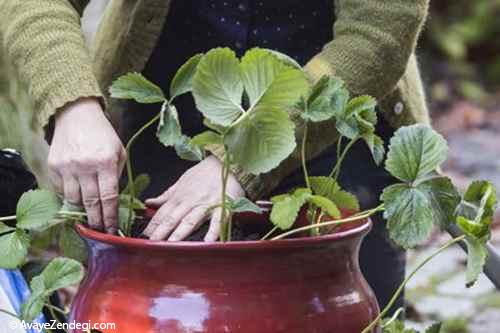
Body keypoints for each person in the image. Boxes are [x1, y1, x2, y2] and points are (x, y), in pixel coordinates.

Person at [0, 0, 430, 313]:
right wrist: (74, 106)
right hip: (164, 120)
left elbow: (379, 31)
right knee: (151, 311)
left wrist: (237, 160)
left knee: (346, 310)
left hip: (330, 127)